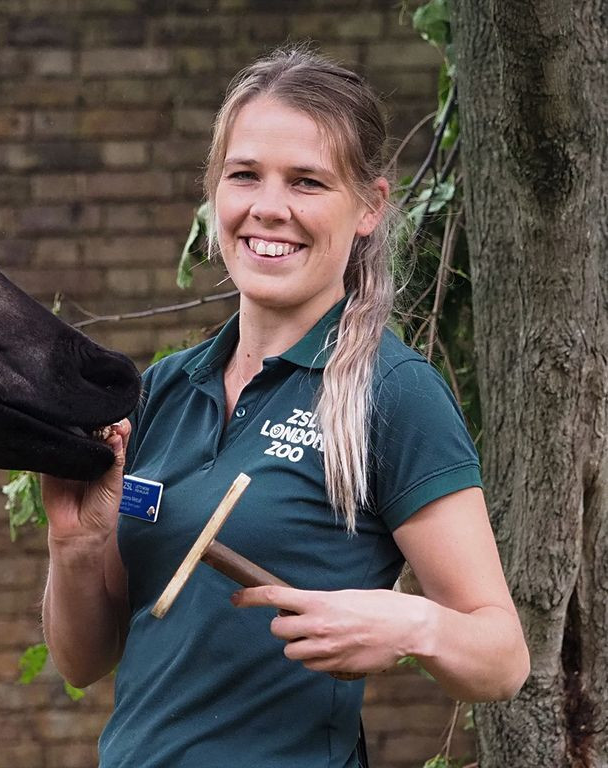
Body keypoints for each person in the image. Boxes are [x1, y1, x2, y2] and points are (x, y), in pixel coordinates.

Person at [41, 47, 529, 768]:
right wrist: (76, 546)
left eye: (307, 181)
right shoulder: (162, 392)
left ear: (369, 208)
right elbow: (84, 662)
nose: (269, 207)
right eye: (245, 176)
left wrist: (409, 625)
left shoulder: (390, 392)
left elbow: (503, 657)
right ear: (214, 194)